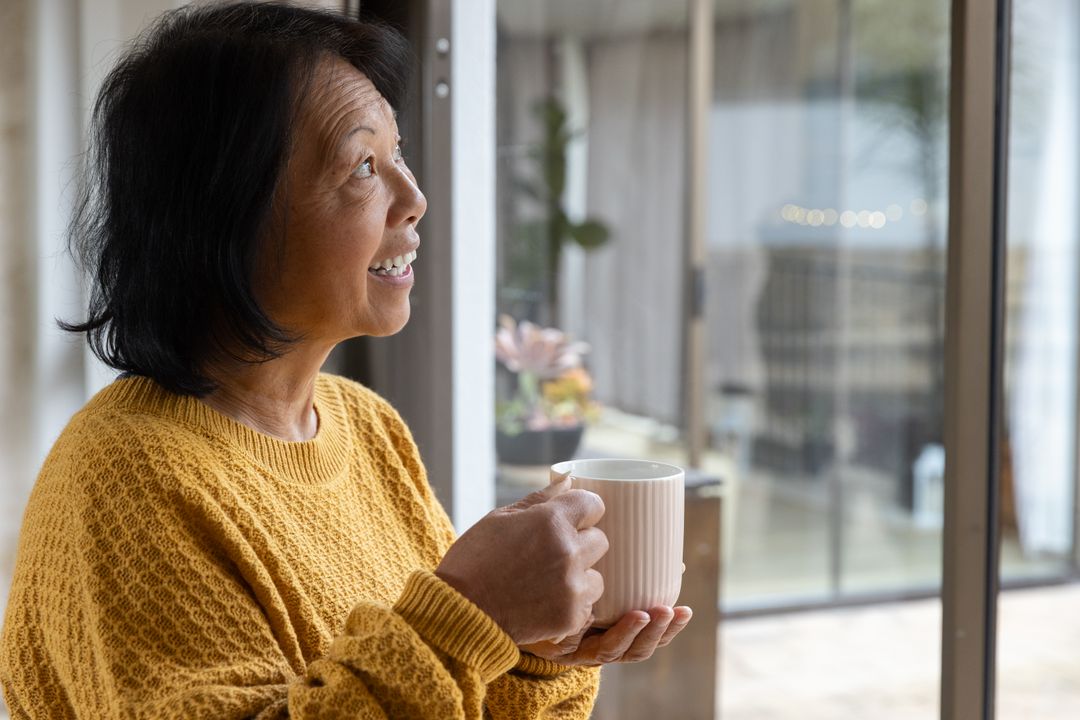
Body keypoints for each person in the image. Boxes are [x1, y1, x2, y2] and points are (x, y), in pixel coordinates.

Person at [0, 4, 692, 718]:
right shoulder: (125, 477)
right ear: (226, 213)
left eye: (400, 155)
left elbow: (454, 698)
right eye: (364, 165)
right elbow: (434, 655)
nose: (415, 199)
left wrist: (533, 652)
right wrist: (467, 616)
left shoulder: (366, 426)